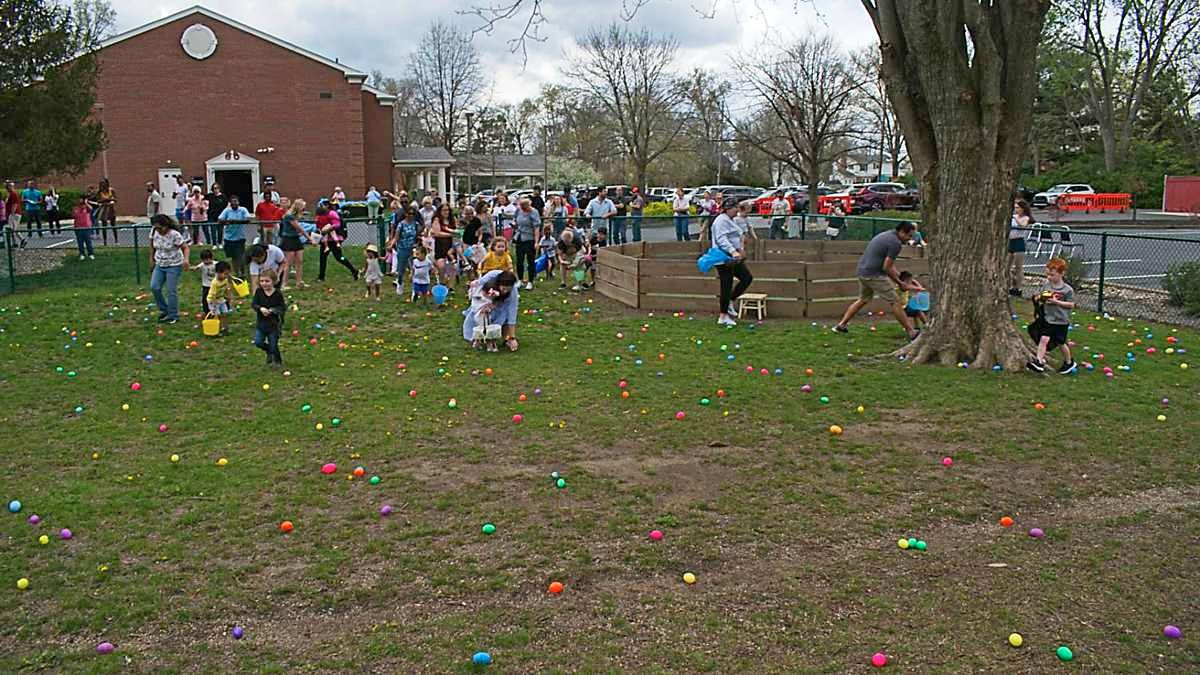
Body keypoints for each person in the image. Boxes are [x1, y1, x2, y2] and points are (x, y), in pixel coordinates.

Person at [832, 221, 919, 339]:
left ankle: (841, 325)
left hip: (863, 272)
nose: (910, 239)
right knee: (895, 301)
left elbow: (889, 264)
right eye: (909, 235)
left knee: (863, 299)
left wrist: (899, 277)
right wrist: (900, 283)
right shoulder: (895, 243)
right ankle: (911, 332)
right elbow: (887, 267)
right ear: (902, 232)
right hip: (874, 275)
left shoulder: (886, 235)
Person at [1027, 258, 1077, 374]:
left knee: (1061, 343)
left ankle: (1069, 362)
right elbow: (1042, 296)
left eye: (1052, 275)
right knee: (1043, 339)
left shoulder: (1067, 290)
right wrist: (1039, 298)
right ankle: (1039, 362)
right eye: (1048, 275)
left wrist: (1057, 302)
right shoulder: (1047, 286)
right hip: (1048, 319)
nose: (1049, 277)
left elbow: (1071, 305)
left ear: (1062, 274)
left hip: (1061, 321)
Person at [710, 197, 754, 326]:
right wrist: (733, 251)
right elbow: (721, 239)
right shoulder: (721, 220)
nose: (737, 210)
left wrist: (740, 249)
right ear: (728, 208)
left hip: (733, 257)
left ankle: (730, 300)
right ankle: (723, 316)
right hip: (724, 258)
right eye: (735, 207)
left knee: (746, 278)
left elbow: (737, 236)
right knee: (726, 285)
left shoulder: (731, 220)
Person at [462, 270, 521, 351]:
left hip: (497, 306)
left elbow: (512, 312)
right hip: (481, 304)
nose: (505, 291)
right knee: (483, 322)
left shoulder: (512, 292)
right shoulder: (489, 281)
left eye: (508, 289)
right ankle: (480, 340)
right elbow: (478, 288)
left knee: (502, 318)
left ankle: (504, 339)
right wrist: (485, 305)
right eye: (503, 288)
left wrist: (512, 337)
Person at [148, 214, 190, 324]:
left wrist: (186, 260)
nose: (158, 230)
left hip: (174, 264)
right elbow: (152, 246)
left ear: (166, 225)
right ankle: (164, 310)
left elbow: (185, 248)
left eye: (160, 228)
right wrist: (151, 259)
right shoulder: (154, 232)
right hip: (160, 263)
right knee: (154, 287)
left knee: (171, 290)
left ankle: (173, 315)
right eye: (156, 228)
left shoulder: (174, 234)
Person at [314, 204, 358, 282]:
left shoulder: (332, 213)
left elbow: (337, 224)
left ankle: (354, 270)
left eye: (324, 205)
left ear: (327, 206)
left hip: (335, 239)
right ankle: (321, 277)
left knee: (339, 257)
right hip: (326, 240)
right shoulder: (320, 216)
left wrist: (328, 228)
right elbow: (318, 227)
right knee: (323, 257)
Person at [251, 273, 286, 366]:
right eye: (262, 281)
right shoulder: (259, 292)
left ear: (273, 282)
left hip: (273, 325)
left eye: (267, 281)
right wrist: (260, 308)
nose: (264, 283)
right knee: (258, 342)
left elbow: (282, 307)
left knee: (273, 344)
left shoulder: (277, 294)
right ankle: (268, 351)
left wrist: (273, 310)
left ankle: (277, 361)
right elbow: (254, 304)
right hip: (261, 324)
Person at [388, 205, 421, 296]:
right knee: (401, 270)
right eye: (409, 213)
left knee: (414, 268)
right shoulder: (401, 224)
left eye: (413, 214)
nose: (411, 215)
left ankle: (415, 289)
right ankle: (400, 284)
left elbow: (418, 235)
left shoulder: (416, 224)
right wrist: (391, 244)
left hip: (413, 249)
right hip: (402, 249)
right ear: (405, 214)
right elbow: (396, 237)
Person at [277, 199, 308, 289]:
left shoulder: (295, 216)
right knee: (288, 263)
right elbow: (299, 229)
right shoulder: (289, 216)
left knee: (299, 261)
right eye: (303, 207)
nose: (304, 209)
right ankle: (284, 284)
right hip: (288, 240)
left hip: (296, 239)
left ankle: (299, 282)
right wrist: (310, 238)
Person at [512, 197, 541, 290]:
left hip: (530, 238)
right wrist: (514, 224)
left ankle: (530, 281)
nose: (523, 209)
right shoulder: (518, 211)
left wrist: (536, 242)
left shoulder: (534, 212)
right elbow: (515, 220)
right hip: (519, 237)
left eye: (524, 207)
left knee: (530, 260)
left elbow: (536, 228)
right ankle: (520, 279)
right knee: (519, 259)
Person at [218, 195, 251, 277]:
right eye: (232, 202)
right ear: (230, 203)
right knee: (233, 257)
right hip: (229, 238)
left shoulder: (243, 210)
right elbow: (220, 219)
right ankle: (236, 273)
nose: (234, 203)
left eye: (235, 201)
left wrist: (236, 221)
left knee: (241, 256)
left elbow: (248, 219)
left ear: (238, 202)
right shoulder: (227, 210)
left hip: (240, 238)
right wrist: (227, 221)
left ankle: (243, 273)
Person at [1009, 199, 1034, 296]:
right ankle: (1011, 286)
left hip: (1019, 242)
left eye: (1018, 208)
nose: (1016, 210)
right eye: (1015, 208)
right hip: (1010, 241)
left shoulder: (1025, 218)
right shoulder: (1013, 217)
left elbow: (1023, 225)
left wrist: (1016, 218)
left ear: (1023, 209)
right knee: (1008, 267)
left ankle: (1019, 288)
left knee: (1018, 267)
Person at [430, 202, 456, 283]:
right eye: (444, 210)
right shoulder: (437, 219)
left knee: (453, 267)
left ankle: (451, 286)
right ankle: (441, 283)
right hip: (440, 245)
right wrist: (450, 234)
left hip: (450, 245)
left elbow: (456, 230)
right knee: (441, 266)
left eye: (447, 210)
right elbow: (437, 233)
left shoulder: (452, 219)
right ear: (440, 211)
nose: (446, 212)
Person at [207, 260, 235, 335]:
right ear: (218, 273)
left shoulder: (225, 280)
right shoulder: (214, 283)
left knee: (225, 313)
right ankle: (217, 329)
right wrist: (214, 305)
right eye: (225, 274)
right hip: (213, 301)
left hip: (221, 299)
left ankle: (225, 328)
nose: (226, 276)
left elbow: (227, 289)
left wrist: (229, 298)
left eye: (227, 274)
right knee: (217, 315)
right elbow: (213, 295)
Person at [192, 248, 217, 314]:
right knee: (205, 298)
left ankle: (216, 310)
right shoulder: (202, 265)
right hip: (206, 285)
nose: (206, 262)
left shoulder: (216, 264)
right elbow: (196, 267)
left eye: (208, 259)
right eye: (204, 260)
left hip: (215, 285)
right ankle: (206, 311)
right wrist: (193, 268)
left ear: (211, 258)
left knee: (216, 297)